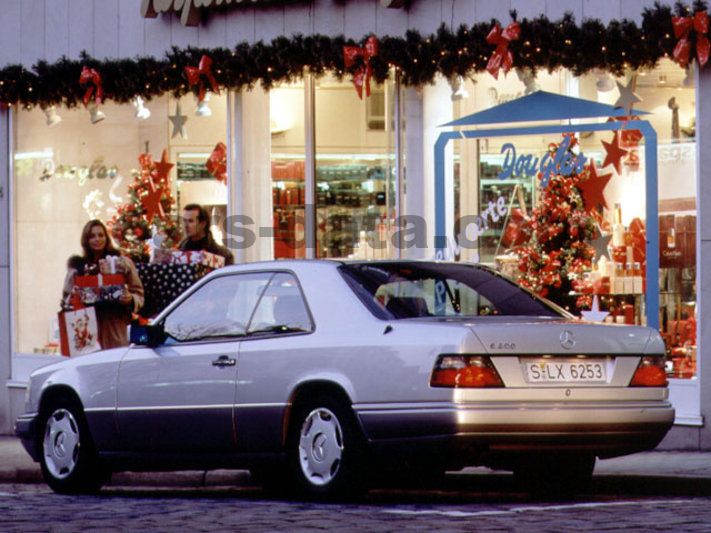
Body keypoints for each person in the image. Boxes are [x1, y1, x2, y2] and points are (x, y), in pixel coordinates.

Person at [62, 219, 144, 349]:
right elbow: (65, 301)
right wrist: (74, 297)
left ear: (107, 237)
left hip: (116, 327)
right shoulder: (77, 269)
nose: (97, 239)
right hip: (87, 330)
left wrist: (131, 299)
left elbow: (139, 293)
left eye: (101, 235)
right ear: (85, 240)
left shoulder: (122, 264)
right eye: (92, 236)